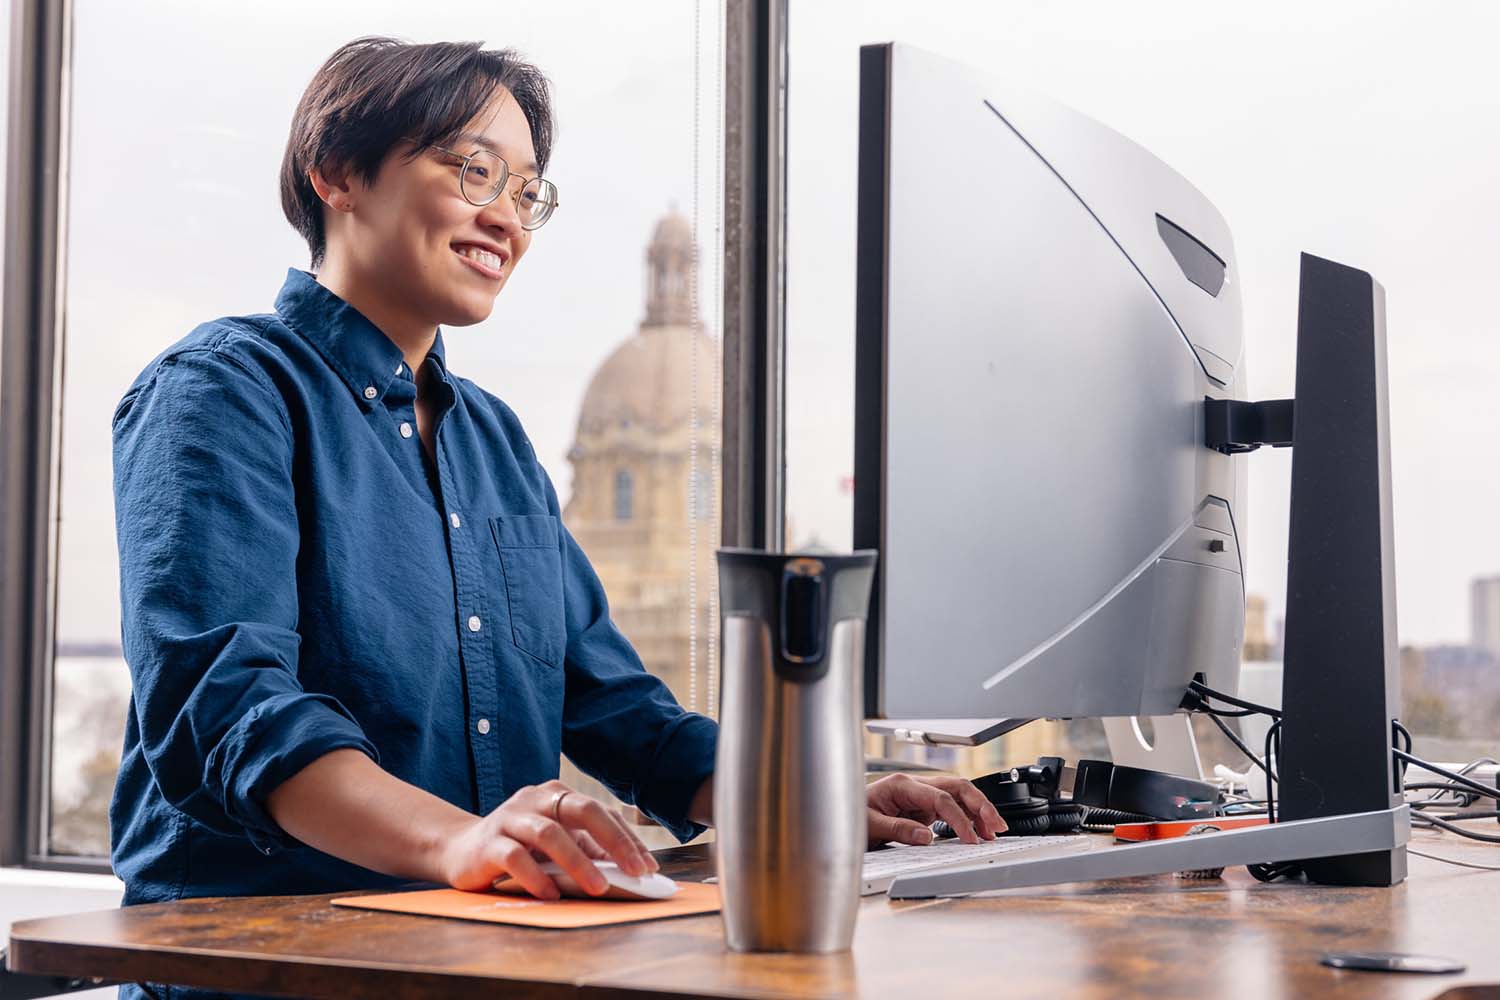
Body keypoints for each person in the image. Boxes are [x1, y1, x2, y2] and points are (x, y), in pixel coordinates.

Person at [111, 36, 1004, 993]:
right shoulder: (221, 392)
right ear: (336, 171)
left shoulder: (492, 440)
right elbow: (234, 713)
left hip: (479, 963)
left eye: (528, 192)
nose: (507, 217)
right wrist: (467, 844)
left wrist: (815, 800)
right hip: (266, 970)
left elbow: (622, 715)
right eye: (474, 169)